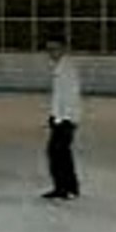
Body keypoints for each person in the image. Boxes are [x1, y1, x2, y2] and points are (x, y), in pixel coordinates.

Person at [42, 40, 81, 200]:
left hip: (65, 119)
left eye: (55, 48)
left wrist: (59, 119)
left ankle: (63, 188)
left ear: (64, 49)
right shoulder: (62, 67)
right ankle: (70, 187)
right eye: (49, 49)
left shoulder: (66, 69)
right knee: (62, 153)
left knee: (56, 153)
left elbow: (68, 96)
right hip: (65, 118)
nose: (51, 52)